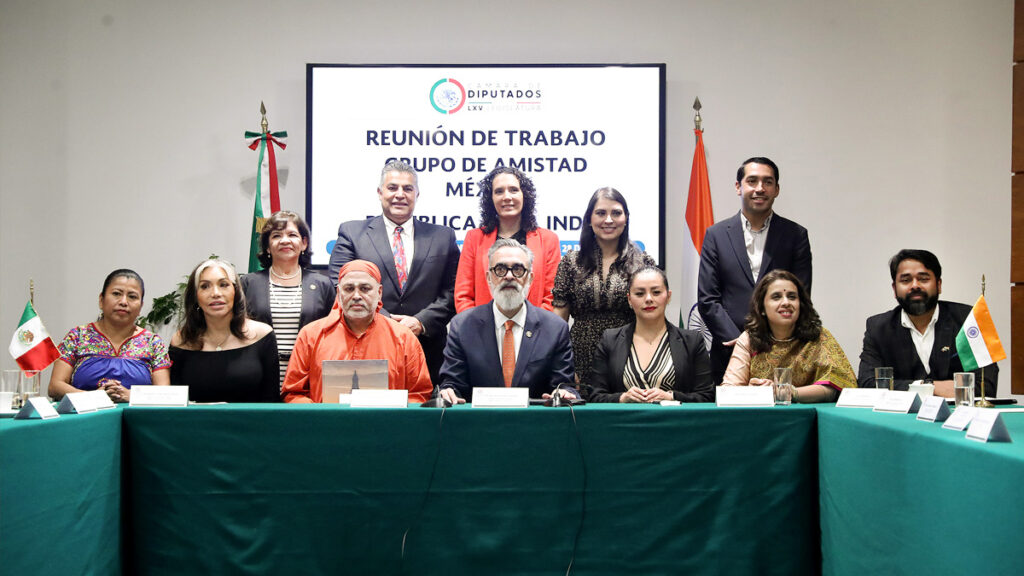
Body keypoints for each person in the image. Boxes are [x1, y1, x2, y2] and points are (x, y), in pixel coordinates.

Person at [326, 160, 459, 386]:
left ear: (417, 194)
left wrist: (420, 321)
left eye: (407, 189)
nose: (400, 194)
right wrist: (387, 323)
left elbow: (453, 290)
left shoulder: (442, 236)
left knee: (423, 418)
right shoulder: (352, 232)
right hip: (367, 346)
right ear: (380, 193)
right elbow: (338, 285)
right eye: (392, 187)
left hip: (427, 348)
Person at [698, 157, 812, 383]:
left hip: (782, 351)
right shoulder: (716, 235)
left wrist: (772, 338)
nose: (760, 188)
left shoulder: (795, 235)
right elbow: (708, 298)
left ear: (776, 189)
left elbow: (801, 294)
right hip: (728, 350)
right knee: (727, 416)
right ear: (738, 187)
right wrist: (739, 341)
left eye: (767, 182)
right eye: (752, 181)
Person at [440, 239, 577, 404]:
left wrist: (564, 392)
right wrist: (448, 392)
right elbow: (452, 383)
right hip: (480, 424)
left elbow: (564, 384)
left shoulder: (555, 328)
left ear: (530, 278)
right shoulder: (462, 326)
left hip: (535, 424)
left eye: (518, 269)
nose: (509, 276)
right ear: (489, 277)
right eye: (500, 269)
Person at [282, 260, 432, 403]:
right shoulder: (311, 335)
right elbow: (293, 393)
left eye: (365, 288)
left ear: (379, 292)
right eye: (349, 289)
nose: (356, 296)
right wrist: (320, 416)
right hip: (326, 427)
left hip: (386, 427)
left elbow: (419, 394)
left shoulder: (404, 338)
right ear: (339, 293)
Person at [858, 249, 997, 398]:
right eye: (906, 280)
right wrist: (930, 387)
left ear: (939, 285)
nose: (915, 286)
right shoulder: (878, 328)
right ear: (894, 289)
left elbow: (985, 386)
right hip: (901, 418)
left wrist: (905, 387)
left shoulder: (968, 319)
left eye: (923, 279)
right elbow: (868, 384)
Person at [553, 187, 654, 387]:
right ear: (589, 220)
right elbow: (558, 322)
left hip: (629, 356)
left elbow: (652, 320)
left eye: (616, 213)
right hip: (579, 360)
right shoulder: (571, 263)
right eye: (601, 213)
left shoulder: (643, 263)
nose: (608, 220)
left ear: (626, 219)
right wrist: (561, 367)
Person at [722, 270, 855, 402]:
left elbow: (836, 386)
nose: (786, 302)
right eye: (776, 297)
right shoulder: (749, 339)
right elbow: (728, 390)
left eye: (792, 297)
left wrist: (789, 392)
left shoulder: (818, 336)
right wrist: (752, 392)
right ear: (762, 308)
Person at [588, 266, 713, 403]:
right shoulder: (610, 340)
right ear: (629, 300)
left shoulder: (692, 341)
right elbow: (595, 395)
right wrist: (622, 398)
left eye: (656, 292)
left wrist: (672, 397)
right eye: (640, 294)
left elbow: (707, 396)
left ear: (668, 296)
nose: (648, 299)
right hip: (624, 422)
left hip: (675, 422)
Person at [241, 211, 336, 385]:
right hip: (259, 375)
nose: (285, 240)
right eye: (277, 236)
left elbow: (333, 334)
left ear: (304, 243)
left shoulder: (323, 285)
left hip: (308, 375)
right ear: (268, 246)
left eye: (292, 235)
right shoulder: (248, 283)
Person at [48, 269, 170, 403]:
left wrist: (131, 396)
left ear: (141, 306)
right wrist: (93, 397)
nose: (124, 302)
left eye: (132, 297)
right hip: (86, 418)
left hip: (138, 419)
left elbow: (163, 393)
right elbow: (55, 386)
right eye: (116, 294)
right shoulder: (77, 336)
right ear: (101, 300)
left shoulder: (152, 342)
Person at [169, 259, 280, 402]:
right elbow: (173, 403)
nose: (215, 293)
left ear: (236, 291)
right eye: (205, 286)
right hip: (196, 423)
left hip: (251, 424)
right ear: (195, 296)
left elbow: (270, 401)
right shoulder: (181, 341)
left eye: (223, 285)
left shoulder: (262, 335)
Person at [454, 166, 560, 313]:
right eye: (499, 191)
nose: (507, 197)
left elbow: (551, 296)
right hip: (482, 330)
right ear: (490, 199)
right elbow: (463, 296)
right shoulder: (474, 238)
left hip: (534, 331)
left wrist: (533, 328)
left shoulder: (548, 240)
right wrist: (477, 328)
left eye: (513, 190)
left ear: (525, 195)